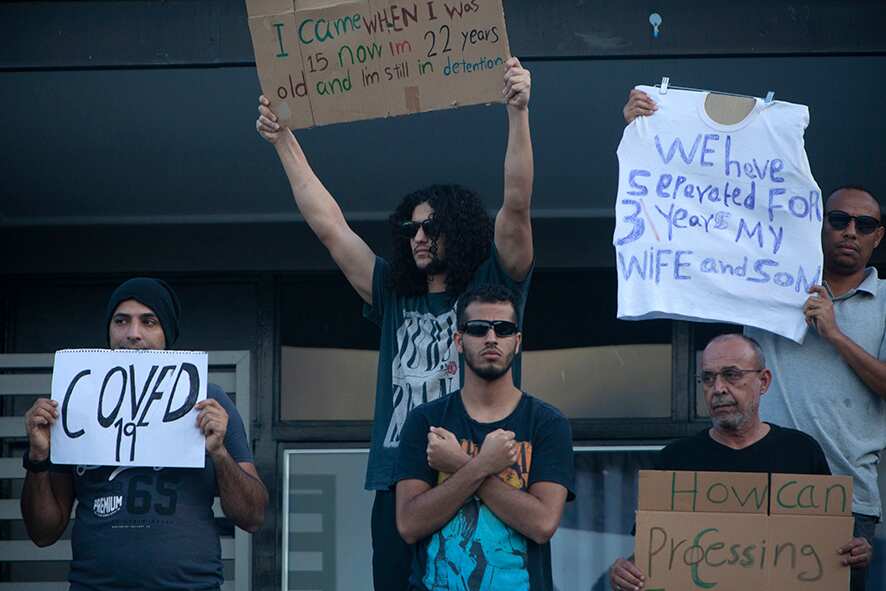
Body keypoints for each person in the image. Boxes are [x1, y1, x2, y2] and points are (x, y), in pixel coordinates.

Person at [257, 59, 535, 589]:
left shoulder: (490, 290)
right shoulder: (392, 292)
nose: (419, 237)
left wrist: (517, 112)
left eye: (432, 226)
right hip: (401, 481)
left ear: (460, 227)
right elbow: (330, 227)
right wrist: (284, 140)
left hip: (482, 472)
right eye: (411, 227)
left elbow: (517, 205)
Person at [625, 90, 885, 590]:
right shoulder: (770, 278)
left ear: (879, 235)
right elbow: (706, 222)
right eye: (837, 220)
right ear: (818, 223)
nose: (849, 231)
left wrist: (832, 334)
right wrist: (645, 137)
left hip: (848, 499)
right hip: (749, 486)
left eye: (865, 224)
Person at [21, 277, 268, 591]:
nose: (133, 334)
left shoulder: (208, 401)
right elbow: (42, 533)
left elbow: (253, 517)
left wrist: (219, 453)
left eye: (148, 321)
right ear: (109, 330)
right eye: (121, 321)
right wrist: (38, 458)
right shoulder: (75, 402)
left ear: (167, 332)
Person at [608, 334, 871, 591]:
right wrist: (626, 573)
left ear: (764, 381)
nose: (718, 388)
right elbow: (654, 555)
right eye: (708, 378)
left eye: (731, 375)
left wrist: (856, 552)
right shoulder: (675, 460)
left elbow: (828, 545)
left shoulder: (800, 451)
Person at [393, 284, 574, 590]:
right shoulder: (426, 421)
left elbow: (542, 524)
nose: (491, 338)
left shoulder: (547, 423)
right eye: (478, 329)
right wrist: (481, 465)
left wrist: (461, 463)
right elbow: (409, 524)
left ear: (517, 342)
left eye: (503, 329)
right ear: (459, 341)